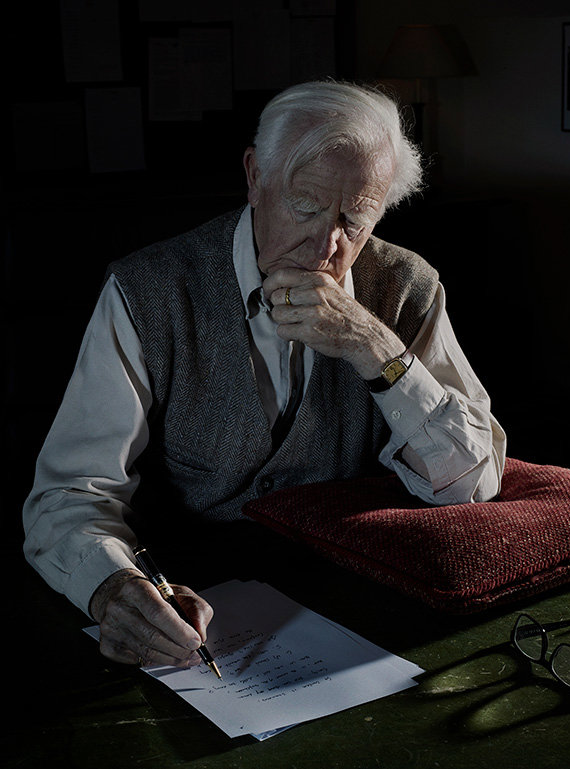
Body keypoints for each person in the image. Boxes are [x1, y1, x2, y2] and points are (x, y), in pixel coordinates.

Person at [23, 80, 506, 669]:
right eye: (305, 205)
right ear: (255, 177)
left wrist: (379, 351)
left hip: (352, 605)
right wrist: (110, 587)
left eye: (356, 219)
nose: (327, 245)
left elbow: (472, 484)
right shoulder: (147, 291)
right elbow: (70, 492)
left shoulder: (407, 286)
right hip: (198, 606)